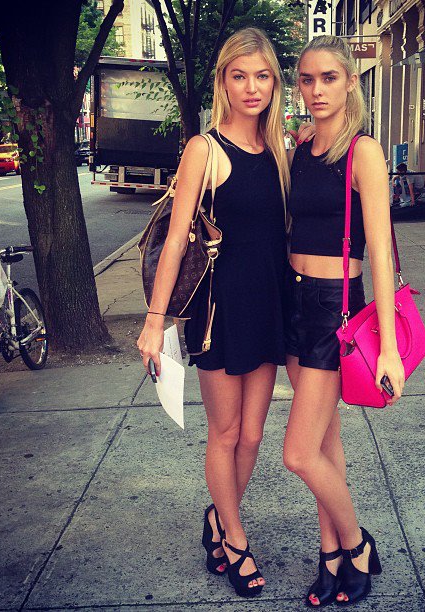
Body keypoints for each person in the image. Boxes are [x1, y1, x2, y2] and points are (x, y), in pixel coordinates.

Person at [136, 28, 313, 598]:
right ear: (223, 81)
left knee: (254, 434)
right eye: (240, 75)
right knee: (226, 430)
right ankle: (235, 539)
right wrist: (154, 320)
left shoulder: (281, 152)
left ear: (275, 84)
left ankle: (217, 516)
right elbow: (174, 241)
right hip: (219, 311)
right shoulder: (204, 150)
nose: (251, 87)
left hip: (268, 305)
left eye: (262, 76)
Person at [283, 35, 405, 607]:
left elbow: (381, 253)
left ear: (351, 82)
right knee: (325, 445)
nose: (317, 90)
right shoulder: (301, 150)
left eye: (329, 78)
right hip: (293, 301)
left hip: (336, 307)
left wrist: (389, 349)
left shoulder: (364, 152)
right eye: (307, 79)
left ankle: (356, 545)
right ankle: (329, 555)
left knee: (298, 453)